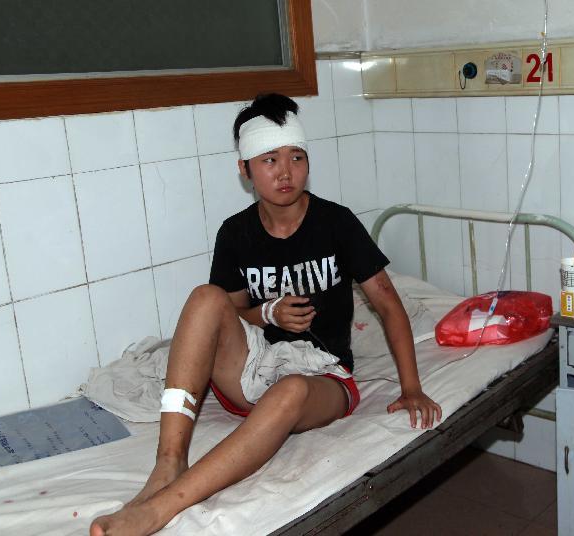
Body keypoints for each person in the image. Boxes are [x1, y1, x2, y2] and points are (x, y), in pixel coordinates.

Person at [91, 93, 442, 536]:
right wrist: (269, 314)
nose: (285, 172)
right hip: (252, 369)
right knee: (205, 297)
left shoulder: (336, 223)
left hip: (322, 378)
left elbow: (388, 303)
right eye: (269, 160)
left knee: (291, 389)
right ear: (245, 170)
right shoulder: (235, 233)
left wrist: (411, 387)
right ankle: (169, 462)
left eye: (296, 157)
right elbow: (231, 316)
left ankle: (160, 510)